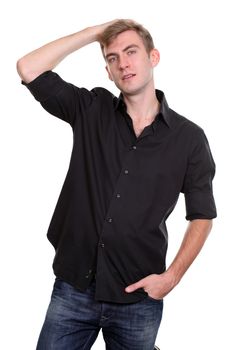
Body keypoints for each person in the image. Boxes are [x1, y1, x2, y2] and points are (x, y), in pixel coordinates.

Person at [17, 19, 217, 350]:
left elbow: (203, 216)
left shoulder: (190, 139)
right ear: (107, 72)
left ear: (153, 57)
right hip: (73, 289)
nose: (123, 63)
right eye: (112, 58)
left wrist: (172, 277)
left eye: (131, 51)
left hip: (138, 297)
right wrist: (96, 32)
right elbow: (28, 67)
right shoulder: (91, 108)